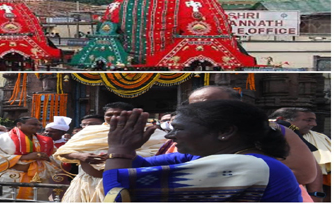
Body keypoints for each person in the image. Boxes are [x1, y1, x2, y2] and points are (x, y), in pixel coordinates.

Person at [101, 100, 302, 202]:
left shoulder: (247, 166)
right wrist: (128, 152)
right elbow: (143, 169)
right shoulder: (211, 157)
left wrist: (119, 149)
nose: (170, 137)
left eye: (178, 129)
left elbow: (119, 195)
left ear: (225, 132)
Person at [188, 86, 318, 200]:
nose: (201, 111)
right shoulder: (183, 133)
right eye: (194, 106)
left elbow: (305, 174)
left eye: (212, 105)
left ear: (238, 105)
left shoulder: (272, 130)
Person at [54, 102, 165, 202]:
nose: (114, 117)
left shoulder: (150, 132)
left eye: (119, 114)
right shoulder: (89, 131)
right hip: (87, 184)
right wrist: (81, 155)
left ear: (130, 115)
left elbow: (163, 154)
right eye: (109, 115)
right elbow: (63, 151)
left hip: (131, 182)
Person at [0, 116, 63, 200]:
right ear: (19, 124)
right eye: (34, 124)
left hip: (39, 178)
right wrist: (23, 157)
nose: (38, 127)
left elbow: (57, 156)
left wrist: (47, 158)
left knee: (38, 199)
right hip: (12, 177)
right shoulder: (2, 139)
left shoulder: (45, 141)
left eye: (39, 125)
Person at [272, 107, 330, 202]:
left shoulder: (322, 139)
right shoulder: (273, 135)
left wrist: (315, 196)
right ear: (281, 119)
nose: (314, 124)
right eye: (308, 120)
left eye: (314, 120)